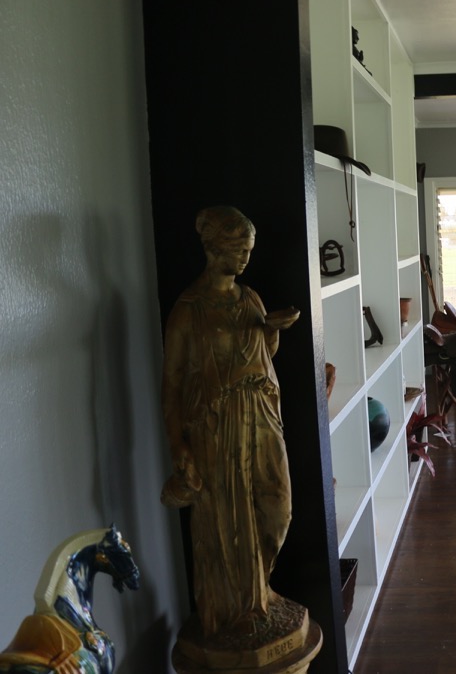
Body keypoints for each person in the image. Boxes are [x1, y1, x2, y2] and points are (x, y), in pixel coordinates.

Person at [160, 205, 301, 638]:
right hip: (217, 427)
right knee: (227, 521)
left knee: (277, 507)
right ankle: (235, 612)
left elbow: (262, 354)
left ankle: (261, 589)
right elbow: (172, 383)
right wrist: (178, 445)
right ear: (213, 247)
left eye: (249, 250)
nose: (245, 258)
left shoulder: (250, 297)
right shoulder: (189, 309)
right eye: (238, 249)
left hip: (261, 413)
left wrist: (272, 330)